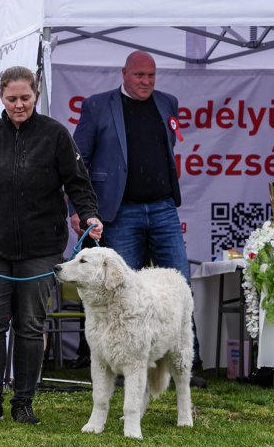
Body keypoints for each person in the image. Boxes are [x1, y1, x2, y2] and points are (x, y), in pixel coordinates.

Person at [0, 66, 102, 425]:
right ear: (1, 98)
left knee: (31, 325)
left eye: (25, 98)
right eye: (11, 99)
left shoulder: (56, 135)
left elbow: (78, 182)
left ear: (36, 95)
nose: (19, 105)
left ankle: (23, 402)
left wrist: (88, 214)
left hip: (41, 249)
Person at [71, 50, 205, 386]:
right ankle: (121, 365)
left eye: (151, 75)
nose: (146, 82)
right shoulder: (98, 106)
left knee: (180, 285)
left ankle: (187, 365)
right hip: (121, 211)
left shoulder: (167, 103)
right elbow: (77, 161)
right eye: (139, 75)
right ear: (124, 73)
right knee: (121, 288)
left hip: (163, 208)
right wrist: (77, 209)